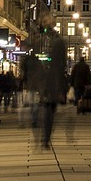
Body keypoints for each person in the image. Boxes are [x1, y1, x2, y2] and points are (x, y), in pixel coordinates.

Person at [37, 12, 67, 149]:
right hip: (46, 81)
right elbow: (62, 65)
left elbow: (62, 65)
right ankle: (45, 137)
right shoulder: (55, 40)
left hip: (49, 81)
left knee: (48, 111)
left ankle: (45, 137)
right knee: (48, 111)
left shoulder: (53, 40)